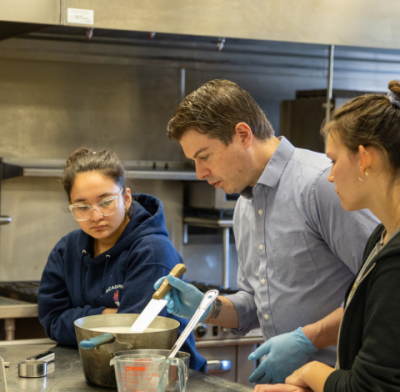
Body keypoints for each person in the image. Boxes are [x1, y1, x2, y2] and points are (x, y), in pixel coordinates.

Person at [154, 79, 380, 384]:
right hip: (284, 385)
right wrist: (209, 308)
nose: (199, 173)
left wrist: (308, 339)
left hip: (341, 382)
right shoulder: (244, 207)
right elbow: (254, 303)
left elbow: (380, 294)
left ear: (243, 135)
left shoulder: (323, 185)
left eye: (204, 156)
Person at [254, 81, 400, 392]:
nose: (330, 175)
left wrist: (309, 373)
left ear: (365, 158)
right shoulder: (381, 237)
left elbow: (370, 388)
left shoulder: (396, 261)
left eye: (334, 160)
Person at [38, 148, 206, 372]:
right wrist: (108, 315)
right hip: (95, 370)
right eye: (82, 206)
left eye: (105, 202)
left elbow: (134, 335)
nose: (95, 216)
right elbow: (53, 321)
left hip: (160, 376)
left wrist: (82, 320)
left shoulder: (152, 251)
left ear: (126, 198)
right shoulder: (66, 250)